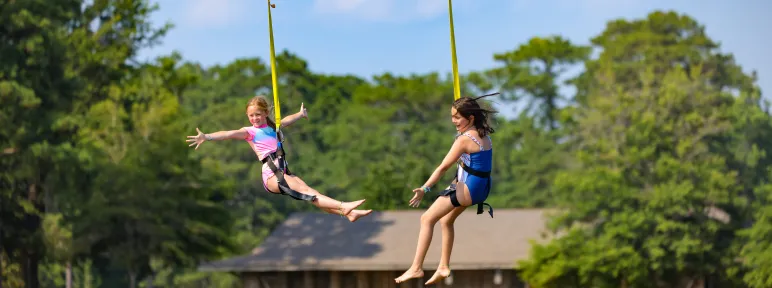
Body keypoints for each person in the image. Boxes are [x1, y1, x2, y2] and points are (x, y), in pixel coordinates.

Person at [186, 95, 372, 222]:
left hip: (283, 171)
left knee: (311, 194)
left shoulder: (273, 127)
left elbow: (287, 120)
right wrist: (207, 136)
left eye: (258, 114)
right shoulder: (249, 132)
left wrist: (300, 114)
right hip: (271, 176)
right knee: (308, 192)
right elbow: (228, 133)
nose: (254, 118)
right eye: (251, 115)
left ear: (266, 113)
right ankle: (343, 205)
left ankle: (348, 214)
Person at [395, 94, 497, 285]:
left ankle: (416, 268)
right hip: (481, 190)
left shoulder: (463, 141)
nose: (453, 121)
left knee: (426, 219)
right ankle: (443, 266)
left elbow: (442, 167)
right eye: (452, 116)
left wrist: (424, 189)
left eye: (457, 117)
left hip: (467, 190)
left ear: (471, 118)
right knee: (446, 220)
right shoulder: (485, 136)